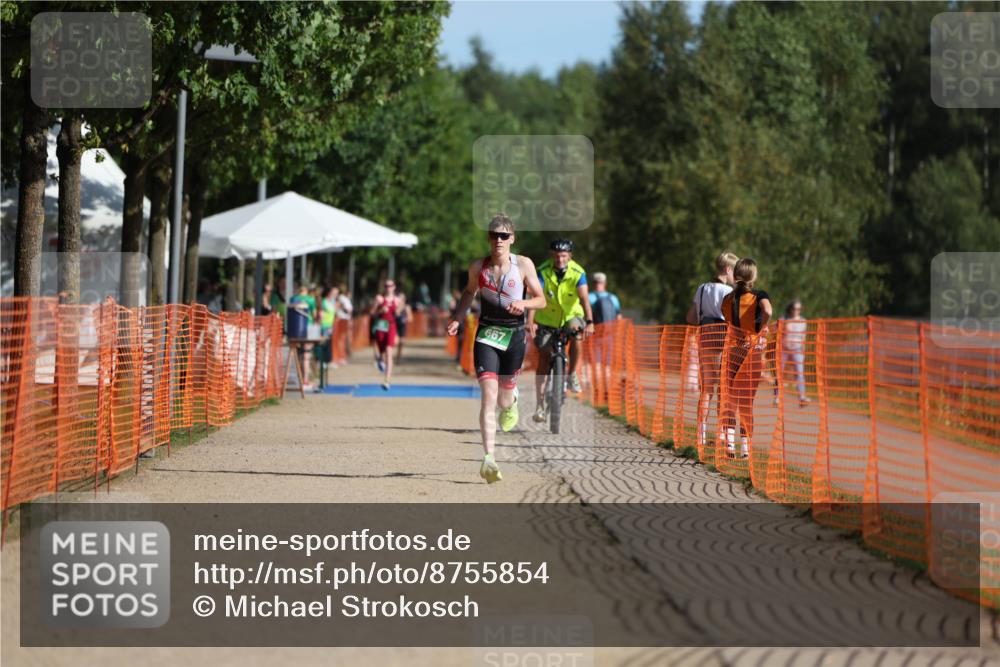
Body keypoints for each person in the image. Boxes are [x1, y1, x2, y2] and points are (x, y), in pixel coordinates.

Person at [447, 214, 546, 484]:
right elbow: (469, 292)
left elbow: (541, 300)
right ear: (489, 238)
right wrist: (457, 317)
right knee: (488, 397)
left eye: (504, 236)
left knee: (503, 400)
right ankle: (489, 457)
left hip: (514, 336)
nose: (499, 240)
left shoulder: (523, 265)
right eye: (494, 235)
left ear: (512, 239)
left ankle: (512, 401)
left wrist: (524, 305)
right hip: (487, 335)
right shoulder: (479, 267)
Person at [528, 238, 595, 422]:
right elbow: (535, 296)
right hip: (546, 319)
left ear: (570, 256)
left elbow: (585, 299)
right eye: (557, 256)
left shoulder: (578, 272)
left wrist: (589, 321)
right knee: (543, 356)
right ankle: (540, 405)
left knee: (577, 333)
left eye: (564, 255)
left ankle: (572, 373)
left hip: (570, 316)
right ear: (552, 256)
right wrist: (530, 321)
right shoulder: (542, 271)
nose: (560, 259)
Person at [719, 258, 772, 459]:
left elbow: (727, 320)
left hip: (733, 351)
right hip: (752, 353)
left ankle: (730, 445)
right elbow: (767, 311)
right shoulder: (759, 296)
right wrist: (759, 327)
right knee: (747, 401)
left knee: (731, 400)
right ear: (754, 275)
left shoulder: (727, 300)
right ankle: (746, 448)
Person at [686, 251, 739, 447]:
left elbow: (691, 317)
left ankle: (701, 433)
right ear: (728, 269)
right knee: (724, 390)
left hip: (705, 338)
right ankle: (722, 435)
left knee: (706, 389)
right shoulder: (728, 292)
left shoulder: (701, 289)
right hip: (723, 339)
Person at [587, 272, 622, 376]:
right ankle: (606, 386)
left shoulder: (589, 297)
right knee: (607, 362)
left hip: (594, 334)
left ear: (593, 283)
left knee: (594, 361)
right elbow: (619, 316)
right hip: (610, 334)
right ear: (605, 283)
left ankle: (596, 385)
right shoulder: (613, 298)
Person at [370, 279, 402, 390]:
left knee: (389, 352)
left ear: (394, 287)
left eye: (390, 285)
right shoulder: (379, 298)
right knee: (382, 353)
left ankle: (387, 381)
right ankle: (379, 359)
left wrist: (398, 309)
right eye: (386, 286)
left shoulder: (397, 299)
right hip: (381, 326)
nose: (388, 287)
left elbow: (398, 315)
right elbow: (372, 313)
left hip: (391, 326)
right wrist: (380, 309)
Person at [780, 299, 810, 407]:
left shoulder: (803, 321)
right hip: (783, 349)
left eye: (799, 309)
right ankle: (777, 396)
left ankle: (802, 397)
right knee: (779, 373)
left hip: (797, 349)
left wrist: (803, 351)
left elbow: (803, 337)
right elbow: (777, 333)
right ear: (790, 309)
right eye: (794, 308)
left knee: (799, 374)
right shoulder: (783, 319)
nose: (796, 311)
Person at [335, 285, 353, 359]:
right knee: (341, 338)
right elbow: (339, 306)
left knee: (345, 338)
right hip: (342, 319)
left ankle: (344, 354)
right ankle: (340, 355)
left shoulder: (346, 299)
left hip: (346, 320)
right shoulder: (341, 297)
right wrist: (346, 310)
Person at [395, 291, 413, 363]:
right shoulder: (395, 306)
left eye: (402, 298)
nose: (401, 299)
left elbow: (410, 318)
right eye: (399, 298)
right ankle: (390, 356)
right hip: (395, 325)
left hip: (402, 327)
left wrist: (406, 318)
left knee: (401, 342)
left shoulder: (407, 307)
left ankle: (398, 357)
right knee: (395, 341)